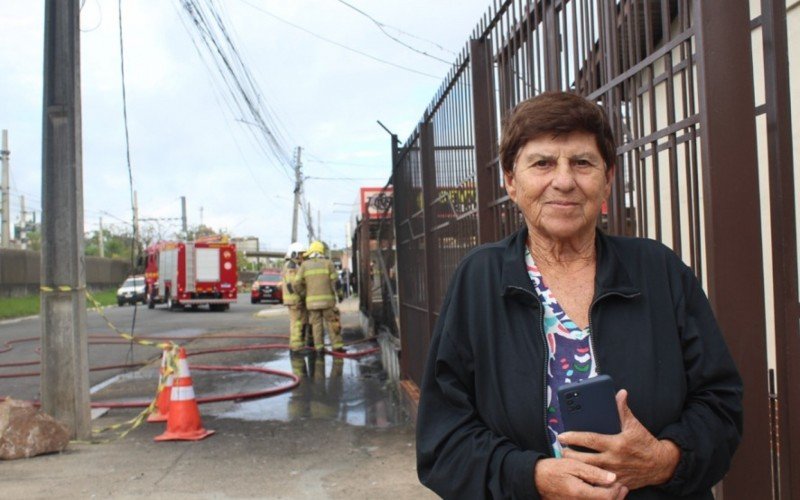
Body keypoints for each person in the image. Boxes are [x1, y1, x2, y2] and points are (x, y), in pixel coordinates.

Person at [415, 91, 743, 499]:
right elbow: (442, 442)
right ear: (511, 181)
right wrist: (532, 477)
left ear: (607, 179)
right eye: (543, 163)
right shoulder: (479, 280)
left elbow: (721, 405)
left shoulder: (658, 270)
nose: (564, 180)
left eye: (582, 162)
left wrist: (664, 459)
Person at [294, 240, 344, 352]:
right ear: (321, 251)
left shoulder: (304, 265)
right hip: (328, 302)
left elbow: (296, 283)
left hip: (312, 303)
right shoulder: (328, 263)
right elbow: (336, 282)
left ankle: (319, 348)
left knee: (316, 326)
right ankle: (337, 347)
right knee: (332, 323)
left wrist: (304, 294)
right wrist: (340, 295)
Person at [281, 242, 308, 351]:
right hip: (294, 299)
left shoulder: (292, 264)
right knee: (296, 323)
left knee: (297, 322)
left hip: (293, 298)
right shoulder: (291, 265)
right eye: (301, 254)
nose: (302, 257)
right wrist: (302, 294)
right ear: (294, 254)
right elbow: (293, 283)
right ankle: (296, 347)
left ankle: (297, 345)